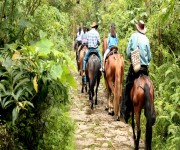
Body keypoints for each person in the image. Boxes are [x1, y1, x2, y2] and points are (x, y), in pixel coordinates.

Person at [121, 20, 151, 123]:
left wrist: (131, 57)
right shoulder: (146, 39)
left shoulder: (133, 36)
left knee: (128, 85)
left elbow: (128, 52)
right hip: (145, 68)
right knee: (150, 84)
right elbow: (150, 57)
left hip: (135, 66)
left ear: (137, 28)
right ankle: (152, 109)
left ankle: (127, 109)